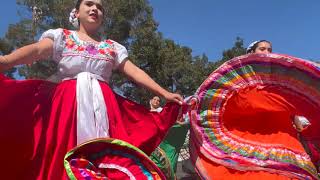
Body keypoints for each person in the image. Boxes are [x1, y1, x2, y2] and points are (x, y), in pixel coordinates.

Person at [0, 0, 183, 179]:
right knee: (60, 154)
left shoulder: (112, 47)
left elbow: (134, 71)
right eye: (89, 4)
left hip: (103, 109)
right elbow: (37, 50)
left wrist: (164, 93)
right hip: (67, 108)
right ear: (76, 12)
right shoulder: (62, 37)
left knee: (106, 158)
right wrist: (6, 61)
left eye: (100, 7)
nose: (95, 8)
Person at [189, 41, 320, 179]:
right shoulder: (238, 85)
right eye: (262, 49)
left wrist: (305, 135)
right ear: (251, 53)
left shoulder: (282, 85)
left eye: (269, 49)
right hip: (251, 137)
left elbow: (294, 113)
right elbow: (222, 108)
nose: (267, 52)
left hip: (285, 138)